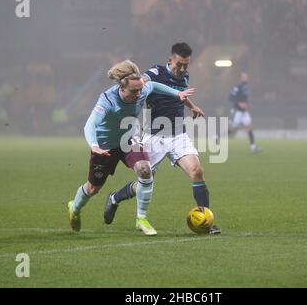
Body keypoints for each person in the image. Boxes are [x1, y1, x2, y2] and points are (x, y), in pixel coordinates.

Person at [104, 42, 222, 235]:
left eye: (186, 65)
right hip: (154, 136)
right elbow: (139, 83)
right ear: (170, 60)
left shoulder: (185, 75)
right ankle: (115, 197)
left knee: (197, 171)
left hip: (178, 135)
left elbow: (179, 94)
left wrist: (191, 106)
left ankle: (206, 220)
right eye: (179, 64)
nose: (182, 69)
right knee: (144, 181)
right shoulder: (154, 73)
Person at [67, 60, 194, 236]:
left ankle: (141, 218)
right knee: (93, 188)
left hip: (129, 139)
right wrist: (94, 146)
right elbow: (90, 125)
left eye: (140, 89)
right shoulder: (107, 100)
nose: (139, 94)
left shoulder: (142, 89)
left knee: (145, 170)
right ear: (122, 87)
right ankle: (75, 207)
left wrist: (177, 93)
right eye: (134, 91)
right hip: (104, 146)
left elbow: (154, 85)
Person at [228, 72, 262, 154]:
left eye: (247, 77)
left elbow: (244, 100)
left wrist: (247, 105)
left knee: (250, 127)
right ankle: (217, 137)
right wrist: (239, 103)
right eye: (244, 77)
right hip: (237, 111)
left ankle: (253, 146)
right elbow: (230, 97)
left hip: (244, 112)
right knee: (233, 130)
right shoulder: (237, 87)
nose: (246, 78)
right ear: (241, 78)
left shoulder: (246, 88)